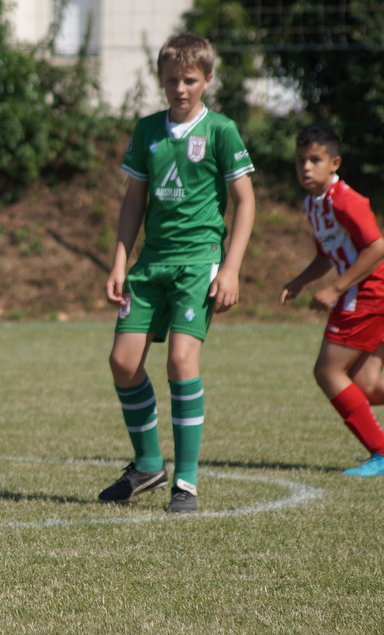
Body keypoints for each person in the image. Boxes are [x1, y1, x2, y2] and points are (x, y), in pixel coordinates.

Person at [100, 33, 256, 513]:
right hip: (151, 263)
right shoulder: (148, 130)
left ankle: (185, 483)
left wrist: (230, 268)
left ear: (207, 79)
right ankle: (148, 464)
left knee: (181, 362)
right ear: (160, 80)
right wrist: (120, 260)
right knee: (123, 362)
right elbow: (134, 201)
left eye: (189, 79)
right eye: (172, 80)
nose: (180, 88)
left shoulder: (221, 131)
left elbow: (246, 202)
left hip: (198, 262)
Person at [280, 125, 384, 476]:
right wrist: (300, 281)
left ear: (334, 163)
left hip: (374, 292)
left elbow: (377, 248)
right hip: (383, 291)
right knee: (367, 386)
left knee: (327, 371)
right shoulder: (313, 202)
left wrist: (335, 289)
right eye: (301, 161)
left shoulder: (345, 200)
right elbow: (327, 253)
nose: (306, 167)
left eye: (315, 160)